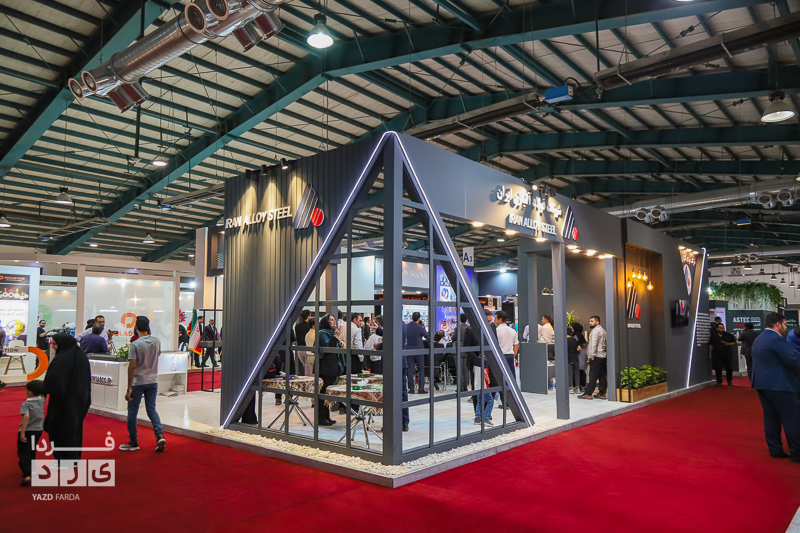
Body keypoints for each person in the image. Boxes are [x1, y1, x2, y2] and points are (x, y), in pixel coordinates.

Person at [750, 312, 800, 461]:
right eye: (784, 324)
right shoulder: (776, 339)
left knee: (771, 418)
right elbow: (792, 361)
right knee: (793, 419)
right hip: (780, 385)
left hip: (762, 384)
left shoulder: (760, 338)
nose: (785, 327)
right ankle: (797, 453)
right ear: (777, 324)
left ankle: (775, 450)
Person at [120, 317, 166, 452]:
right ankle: (159, 435)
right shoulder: (156, 341)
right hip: (152, 380)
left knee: (132, 411)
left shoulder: (135, 344)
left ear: (135, 327)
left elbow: (132, 367)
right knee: (151, 409)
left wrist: (128, 388)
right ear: (148, 327)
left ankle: (133, 442)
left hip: (138, 382)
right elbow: (158, 354)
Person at [43, 333, 91, 461]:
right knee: (74, 429)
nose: (52, 346)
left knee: (60, 430)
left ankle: (64, 459)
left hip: (63, 402)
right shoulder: (80, 356)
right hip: (80, 399)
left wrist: (44, 389)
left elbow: (54, 383)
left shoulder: (61, 359)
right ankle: (73, 457)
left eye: (54, 343)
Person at [17, 379, 45, 486]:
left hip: (28, 430)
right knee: (32, 449)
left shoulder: (26, 404)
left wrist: (22, 432)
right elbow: (44, 395)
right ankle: (33, 469)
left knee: (24, 452)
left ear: (29, 392)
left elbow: (26, 416)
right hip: (38, 430)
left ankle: (27, 474)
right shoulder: (42, 401)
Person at [316, 314, 341, 427]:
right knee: (323, 393)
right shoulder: (322, 333)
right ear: (326, 322)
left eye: (334, 320)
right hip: (325, 367)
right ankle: (321, 418)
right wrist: (336, 337)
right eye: (331, 320)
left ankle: (327, 417)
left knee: (328, 393)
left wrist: (340, 342)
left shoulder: (331, 333)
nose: (334, 322)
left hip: (331, 367)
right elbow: (327, 347)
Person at [579, 316, 607, 400]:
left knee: (593, 375)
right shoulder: (603, 330)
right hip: (602, 356)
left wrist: (592, 355)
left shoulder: (595, 331)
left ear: (597, 322)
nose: (589, 323)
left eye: (591, 321)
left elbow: (593, 344)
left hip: (596, 356)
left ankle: (588, 393)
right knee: (602, 375)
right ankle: (602, 393)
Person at [403, 312, 429, 394]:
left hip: (409, 350)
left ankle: (411, 389)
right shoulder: (420, 327)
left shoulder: (406, 326)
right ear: (419, 319)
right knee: (421, 369)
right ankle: (421, 389)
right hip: (419, 350)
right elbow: (427, 336)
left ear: (412, 317)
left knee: (410, 370)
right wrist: (423, 327)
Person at [710, 322, 737, 387]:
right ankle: (719, 382)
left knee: (729, 368)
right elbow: (711, 344)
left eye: (723, 328)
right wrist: (710, 354)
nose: (722, 329)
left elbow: (734, 342)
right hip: (717, 354)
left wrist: (728, 344)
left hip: (727, 354)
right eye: (720, 328)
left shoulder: (728, 335)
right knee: (718, 368)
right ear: (717, 329)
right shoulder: (713, 336)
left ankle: (729, 380)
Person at [295, 310, 312, 374]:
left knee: (304, 365)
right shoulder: (309, 326)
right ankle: (307, 378)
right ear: (308, 316)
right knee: (307, 367)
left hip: (299, 349)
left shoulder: (297, 326)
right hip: (307, 348)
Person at [567, 327, 581, 394]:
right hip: (575, 358)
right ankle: (577, 388)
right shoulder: (574, 339)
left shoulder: (565, 340)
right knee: (576, 373)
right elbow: (579, 348)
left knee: (570, 374)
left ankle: (571, 388)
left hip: (568, 359)